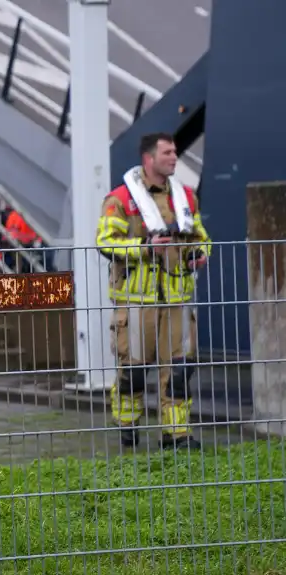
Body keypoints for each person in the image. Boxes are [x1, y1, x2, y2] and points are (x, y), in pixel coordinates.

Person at [96, 132, 211, 450]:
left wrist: (199, 253)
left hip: (178, 299)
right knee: (132, 372)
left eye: (175, 152)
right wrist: (144, 247)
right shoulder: (119, 198)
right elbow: (105, 241)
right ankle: (128, 430)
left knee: (179, 371)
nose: (175, 157)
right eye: (168, 152)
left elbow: (200, 235)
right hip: (136, 301)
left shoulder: (186, 196)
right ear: (149, 159)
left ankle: (176, 435)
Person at [0, 207, 53, 273]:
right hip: (24, 246)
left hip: (32, 245)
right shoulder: (15, 216)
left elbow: (12, 234)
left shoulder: (17, 215)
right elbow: (12, 234)